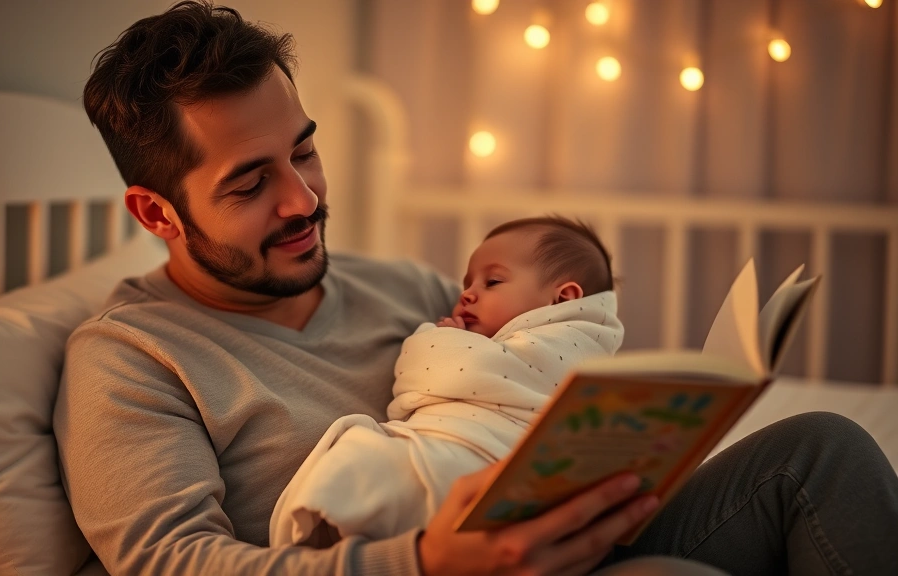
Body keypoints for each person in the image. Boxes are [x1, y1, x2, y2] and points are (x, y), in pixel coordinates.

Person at [53, 2, 898, 575]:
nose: (304, 200)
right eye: (249, 184)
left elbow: (526, 382)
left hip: (557, 532)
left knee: (821, 447)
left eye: (303, 151)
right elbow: (175, 564)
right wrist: (423, 560)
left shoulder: (403, 287)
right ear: (156, 212)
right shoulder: (131, 361)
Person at [270, 216, 625, 547]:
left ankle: (328, 529)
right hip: (483, 466)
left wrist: (441, 340)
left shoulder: (564, 349)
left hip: (487, 462)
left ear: (562, 298)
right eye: (468, 283)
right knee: (363, 456)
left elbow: (443, 368)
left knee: (364, 457)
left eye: (493, 282)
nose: (467, 295)